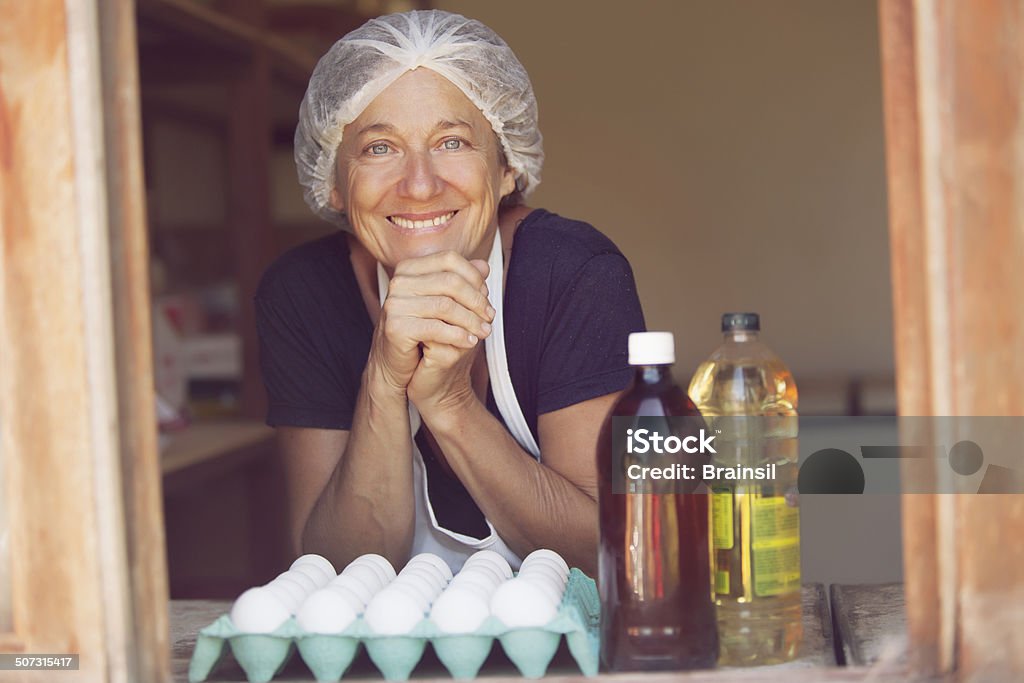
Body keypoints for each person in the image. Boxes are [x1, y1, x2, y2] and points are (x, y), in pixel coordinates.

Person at [256, 9, 644, 576]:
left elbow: (613, 554)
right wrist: (385, 382)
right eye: (379, 148)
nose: (419, 185)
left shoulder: (576, 275)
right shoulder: (302, 296)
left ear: (506, 167)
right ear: (335, 183)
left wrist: (448, 402)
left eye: (453, 141)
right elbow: (329, 571)